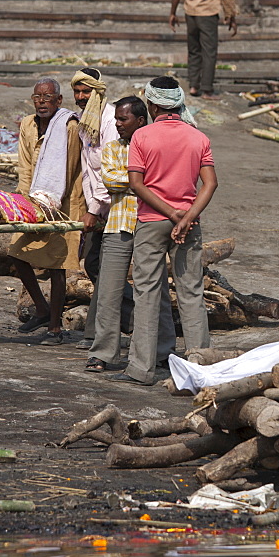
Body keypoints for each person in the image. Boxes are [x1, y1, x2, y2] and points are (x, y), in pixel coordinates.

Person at [110, 77, 217, 386]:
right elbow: (210, 184)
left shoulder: (142, 137)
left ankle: (141, 369)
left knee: (147, 293)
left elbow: (136, 184)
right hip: (189, 222)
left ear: (152, 104)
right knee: (191, 293)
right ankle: (200, 368)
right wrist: (185, 218)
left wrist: (169, 213)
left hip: (153, 222)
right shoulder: (198, 137)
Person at [86, 96, 175, 373]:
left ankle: (163, 350)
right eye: (116, 119)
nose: (118, 124)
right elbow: (110, 180)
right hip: (118, 224)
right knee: (108, 291)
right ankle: (103, 352)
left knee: (156, 289)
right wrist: (141, 179)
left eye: (123, 119)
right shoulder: (113, 147)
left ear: (140, 120)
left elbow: (152, 180)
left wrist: (137, 180)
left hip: (151, 223)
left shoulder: (154, 145)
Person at [8, 78, 84, 344]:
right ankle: (41, 308)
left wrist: (52, 201)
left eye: (47, 98)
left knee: (58, 266)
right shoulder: (28, 125)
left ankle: (54, 327)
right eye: (37, 98)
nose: (42, 103)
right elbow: (25, 166)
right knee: (17, 252)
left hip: (64, 203)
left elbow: (70, 168)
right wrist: (23, 201)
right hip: (32, 200)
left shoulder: (69, 126)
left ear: (58, 100)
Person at [70, 68, 119, 350]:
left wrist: (96, 207)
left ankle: (102, 332)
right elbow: (88, 171)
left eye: (85, 91)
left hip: (115, 206)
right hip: (99, 207)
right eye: (77, 92)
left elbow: (109, 171)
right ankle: (101, 331)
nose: (80, 97)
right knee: (94, 265)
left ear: (97, 92)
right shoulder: (83, 123)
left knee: (101, 267)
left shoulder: (111, 121)